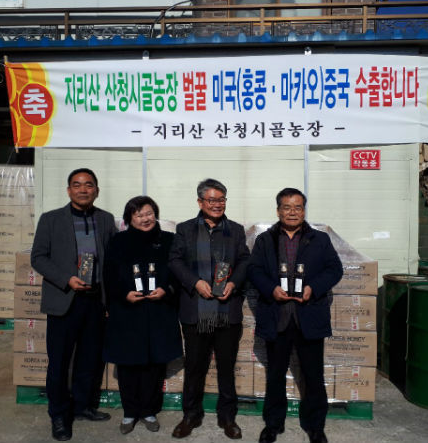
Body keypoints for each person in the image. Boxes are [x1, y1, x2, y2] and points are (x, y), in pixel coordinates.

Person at [247, 188, 343, 443]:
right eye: (287, 207)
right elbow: (254, 270)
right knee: (275, 375)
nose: (292, 212)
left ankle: (315, 426)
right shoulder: (265, 240)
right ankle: (273, 424)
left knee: (313, 375)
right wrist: (270, 289)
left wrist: (314, 287)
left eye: (298, 207)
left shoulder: (319, 239)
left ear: (304, 210)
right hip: (277, 316)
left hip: (308, 317)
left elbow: (335, 269)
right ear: (278, 210)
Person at [31, 168, 116, 441]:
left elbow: (113, 259)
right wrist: (66, 279)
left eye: (88, 185)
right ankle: (58, 415)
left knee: (89, 359)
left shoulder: (105, 219)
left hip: (95, 301)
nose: (83, 190)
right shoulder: (51, 219)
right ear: (69, 190)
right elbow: (38, 257)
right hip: (64, 300)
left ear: (96, 190)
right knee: (59, 362)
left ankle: (82, 406)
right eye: (77, 185)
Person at [169, 178, 250, 440]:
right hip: (196, 311)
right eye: (212, 200)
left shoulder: (235, 230)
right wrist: (195, 282)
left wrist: (234, 283)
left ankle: (227, 417)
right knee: (195, 367)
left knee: (226, 368)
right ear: (200, 202)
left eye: (221, 199)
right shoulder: (185, 229)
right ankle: (191, 415)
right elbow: (175, 261)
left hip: (227, 311)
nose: (217, 204)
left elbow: (245, 261)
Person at [102, 196, 182, 435]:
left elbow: (178, 273)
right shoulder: (118, 241)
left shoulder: (169, 240)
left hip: (158, 311)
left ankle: (149, 411)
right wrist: (123, 294)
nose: (145, 219)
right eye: (139, 215)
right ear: (129, 219)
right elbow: (109, 275)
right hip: (127, 312)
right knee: (128, 364)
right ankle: (129, 412)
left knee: (154, 364)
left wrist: (166, 290)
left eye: (149, 213)